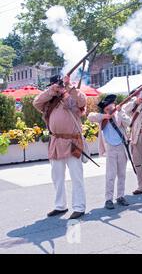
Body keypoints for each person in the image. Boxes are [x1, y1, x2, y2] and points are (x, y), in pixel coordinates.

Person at [33, 75, 87, 219]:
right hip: (56, 141)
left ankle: (79, 207)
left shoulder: (70, 97)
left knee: (76, 176)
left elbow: (82, 101)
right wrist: (52, 90)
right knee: (57, 177)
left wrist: (67, 87)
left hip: (73, 142)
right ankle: (60, 205)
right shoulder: (48, 102)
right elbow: (36, 102)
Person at [88, 95, 131, 210]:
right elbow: (90, 116)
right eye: (106, 109)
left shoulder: (119, 114)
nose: (109, 110)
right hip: (110, 148)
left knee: (122, 174)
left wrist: (120, 111)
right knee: (110, 175)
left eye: (110, 107)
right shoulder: (102, 117)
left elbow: (128, 122)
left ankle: (120, 196)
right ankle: (109, 199)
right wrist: (105, 115)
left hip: (122, 146)